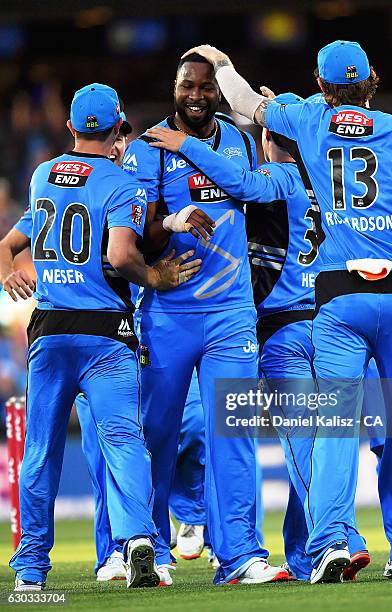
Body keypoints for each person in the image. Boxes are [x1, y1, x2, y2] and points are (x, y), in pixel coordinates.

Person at [184, 41, 392, 582]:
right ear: (373, 76)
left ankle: (329, 539)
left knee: (329, 426)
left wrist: (220, 63)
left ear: (321, 83)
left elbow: (240, 104)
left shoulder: (307, 120)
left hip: (337, 298)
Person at [148, 91, 370, 582]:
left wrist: (186, 144)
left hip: (280, 325)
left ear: (269, 138)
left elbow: (238, 181)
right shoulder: (334, 181)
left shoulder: (278, 177)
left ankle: (340, 537)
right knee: (328, 435)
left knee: (300, 439)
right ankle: (306, 551)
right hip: (332, 319)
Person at [0, 83, 202, 591]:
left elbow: (9, 244)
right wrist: (157, 278)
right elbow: (120, 256)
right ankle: (138, 539)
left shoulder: (43, 174)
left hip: (48, 331)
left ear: (70, 128)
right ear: (118, 128)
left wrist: (8, 269)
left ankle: (30, 569)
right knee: (123, 442)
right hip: (105, 334)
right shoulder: (122, 182)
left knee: (42, 450)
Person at [121, 52, 286, 585]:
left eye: (206, 87)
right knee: (159, 435)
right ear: (175, 87)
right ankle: (150, 553)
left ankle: (240, 556)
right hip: (168, 313)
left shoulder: (237, 140)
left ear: (218, 92)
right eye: (186, 85)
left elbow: (254, 195)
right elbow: (138, 236)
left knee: (232, 435)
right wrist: (170, 223)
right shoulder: (148, 148)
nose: (196, 95)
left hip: (232, 313)